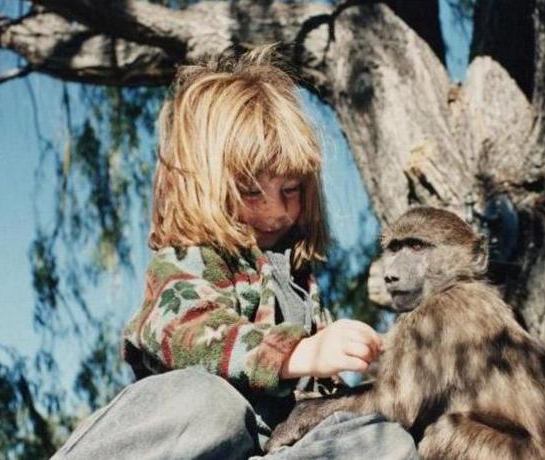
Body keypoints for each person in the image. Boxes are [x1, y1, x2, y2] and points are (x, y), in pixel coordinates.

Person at [51, 46, 418, 460]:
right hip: (190, 439)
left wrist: (371, 371)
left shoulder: (297, 284)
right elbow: (185, 332)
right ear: (202, 185)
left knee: (382, 440)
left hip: (265, 445)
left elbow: (318, 400)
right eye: (250, 191)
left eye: (290, 190)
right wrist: (296, 353)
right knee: (209, 405)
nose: (276, 210)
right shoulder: (189, 259)